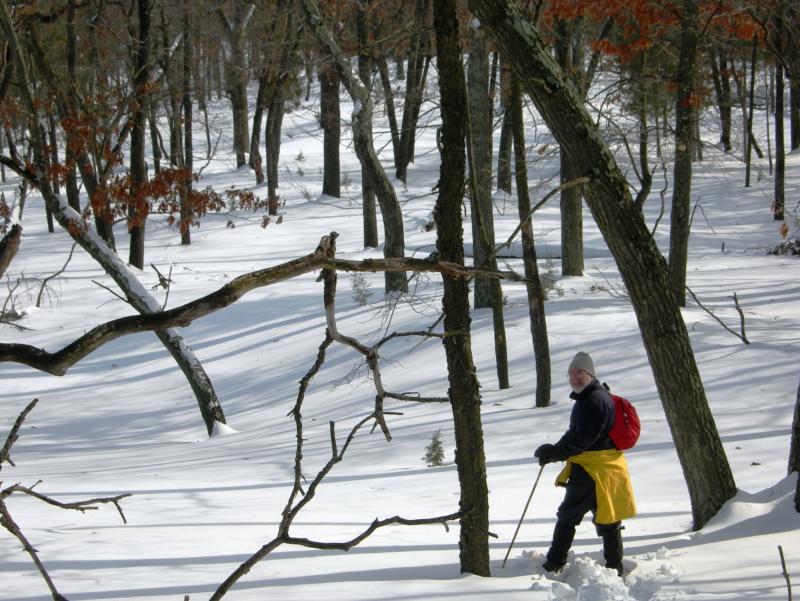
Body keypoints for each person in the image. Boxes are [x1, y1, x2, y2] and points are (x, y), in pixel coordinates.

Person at [534, 351, 636, 577]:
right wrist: (555, 448)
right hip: (600, 467)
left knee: (568, 515)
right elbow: (574, 434)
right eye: (571, 373)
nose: (575, 377)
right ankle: (614, 565)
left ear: (590, 374)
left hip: (592, 469)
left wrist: (555, 453)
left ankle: (554, 563)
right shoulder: (587, 398)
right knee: (606, 517)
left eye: (580, 372)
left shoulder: (595, 401)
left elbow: (582, 440)